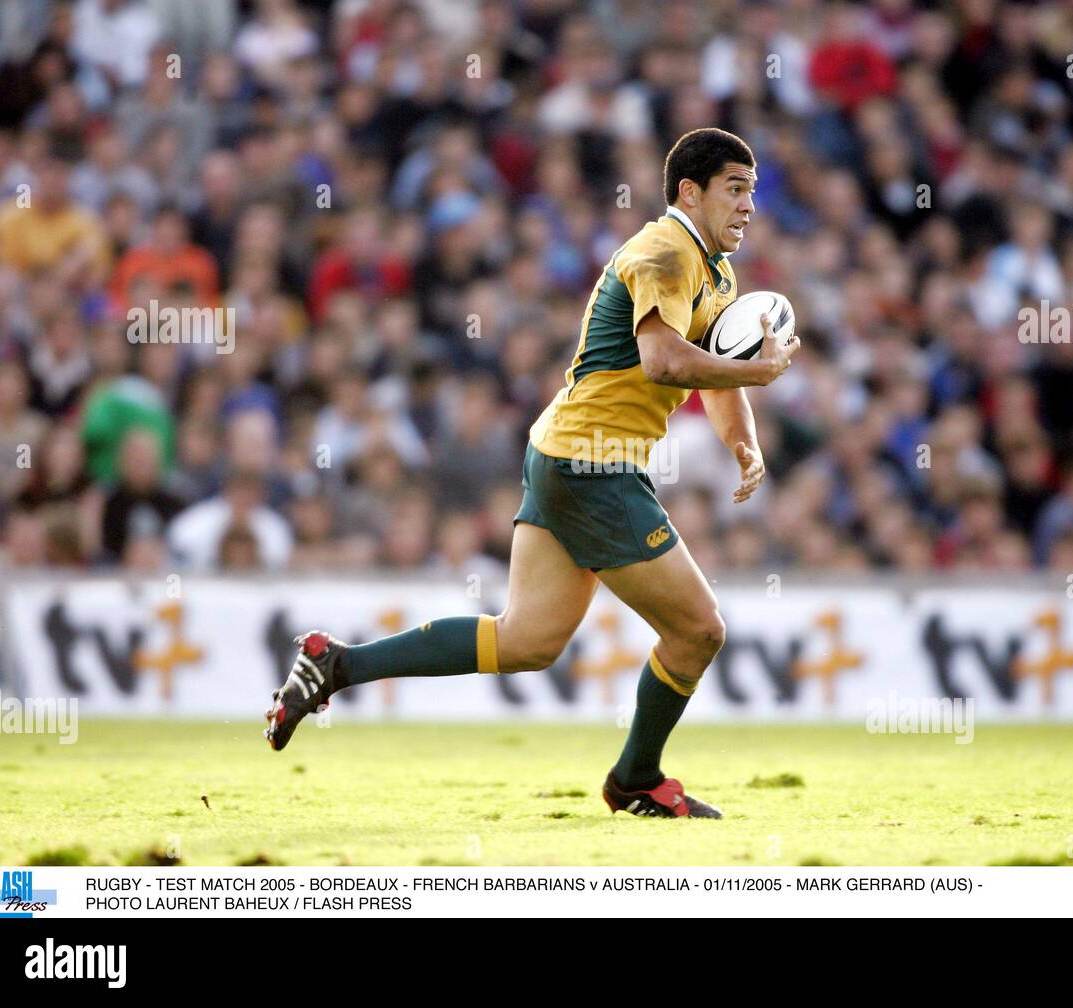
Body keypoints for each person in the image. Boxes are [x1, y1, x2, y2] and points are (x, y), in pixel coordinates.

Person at [264, 128, 799, 818]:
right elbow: (667, 361)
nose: (749, 204)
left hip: (568, 454)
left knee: (527, 640)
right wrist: (759, 368)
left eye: (752, 190)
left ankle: (335, 664)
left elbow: (713, 379)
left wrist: (744, 442)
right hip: (593, 464)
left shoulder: (714, 272)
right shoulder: (665, 253)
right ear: (689, 193)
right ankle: (635, 779)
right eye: (735, 188)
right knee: (700, 630)